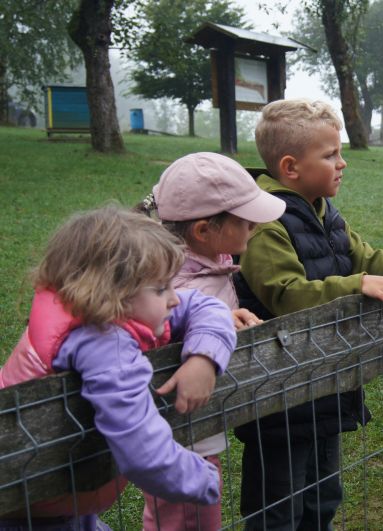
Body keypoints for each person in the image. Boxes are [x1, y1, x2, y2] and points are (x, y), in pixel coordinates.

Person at [234, 99, 383, 531]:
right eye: (330, 155)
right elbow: (285, 293)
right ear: (291, 167)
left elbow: (367, 256)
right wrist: (357, 285)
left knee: (323, 496)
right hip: (278, 391)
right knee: (278, 507)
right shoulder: (265, 222)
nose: (342, 163)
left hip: (324, 379)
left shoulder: (324, 211)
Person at [0, 206, 236, 529]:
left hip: (57, 500)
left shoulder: (99, 311)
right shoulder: (102, 344)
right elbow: (142, 450)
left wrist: (204, 358)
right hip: (32, 512)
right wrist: (204, 479)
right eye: (160, 288)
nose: (174, 299)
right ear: (113, 293)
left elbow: (205, 305)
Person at [136, 153, 286, 531]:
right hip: (182, 434)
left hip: (196, 427)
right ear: (204, 230)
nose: (255, 225)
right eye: (246, 220)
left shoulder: (207, 259)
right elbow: (162, 337)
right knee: (188, 520)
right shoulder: (170, 285)